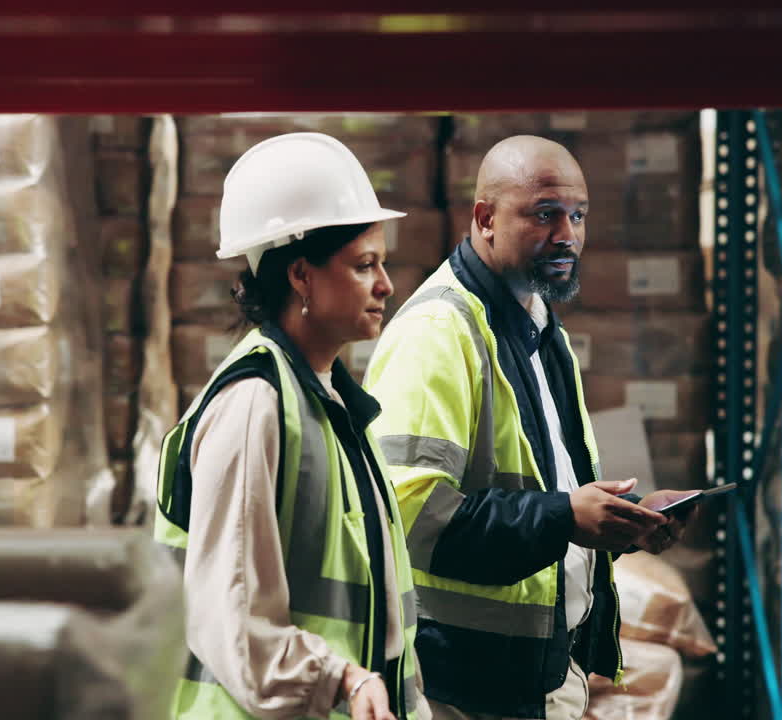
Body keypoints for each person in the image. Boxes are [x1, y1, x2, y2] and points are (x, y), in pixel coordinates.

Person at [363, 135, 698, 720]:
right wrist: (566, 517)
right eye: (544, 214)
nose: (566, 234)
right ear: (486, 219)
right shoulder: (440, 333)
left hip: (529, 676)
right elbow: (411, 517)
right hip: (463, 689)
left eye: (578, 216)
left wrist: (623, 522)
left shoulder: (537, 326)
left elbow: (538, 494)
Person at [153, 133, 431, 720]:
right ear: (301, 276)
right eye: (364, 265)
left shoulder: (328, 402)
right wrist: (342, 680)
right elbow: (232, 612)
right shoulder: (255, 403)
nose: (386, 285)